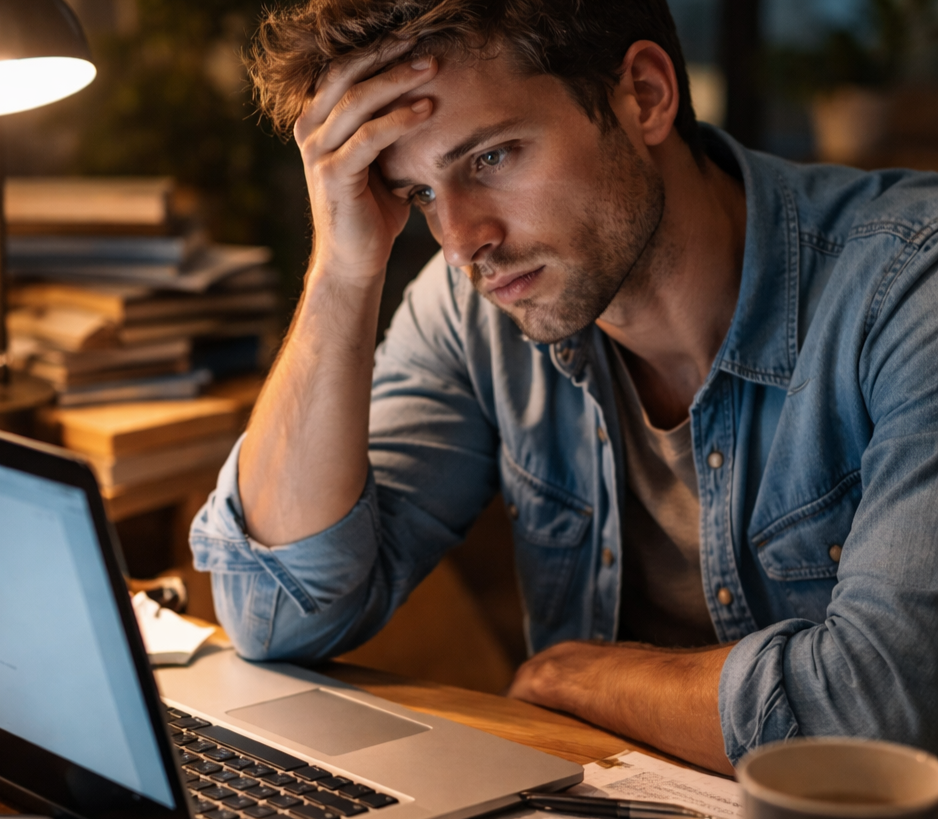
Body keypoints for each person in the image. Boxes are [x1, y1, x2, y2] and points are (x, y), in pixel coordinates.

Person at [189, 0, 938, 774]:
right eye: (418, 194)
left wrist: (573, 676)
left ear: (644, 96)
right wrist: (341, 269)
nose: (460, 243)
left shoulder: (911, 286)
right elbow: (273, 613)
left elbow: (876, 718)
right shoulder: (475, 310)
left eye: (491, 158)